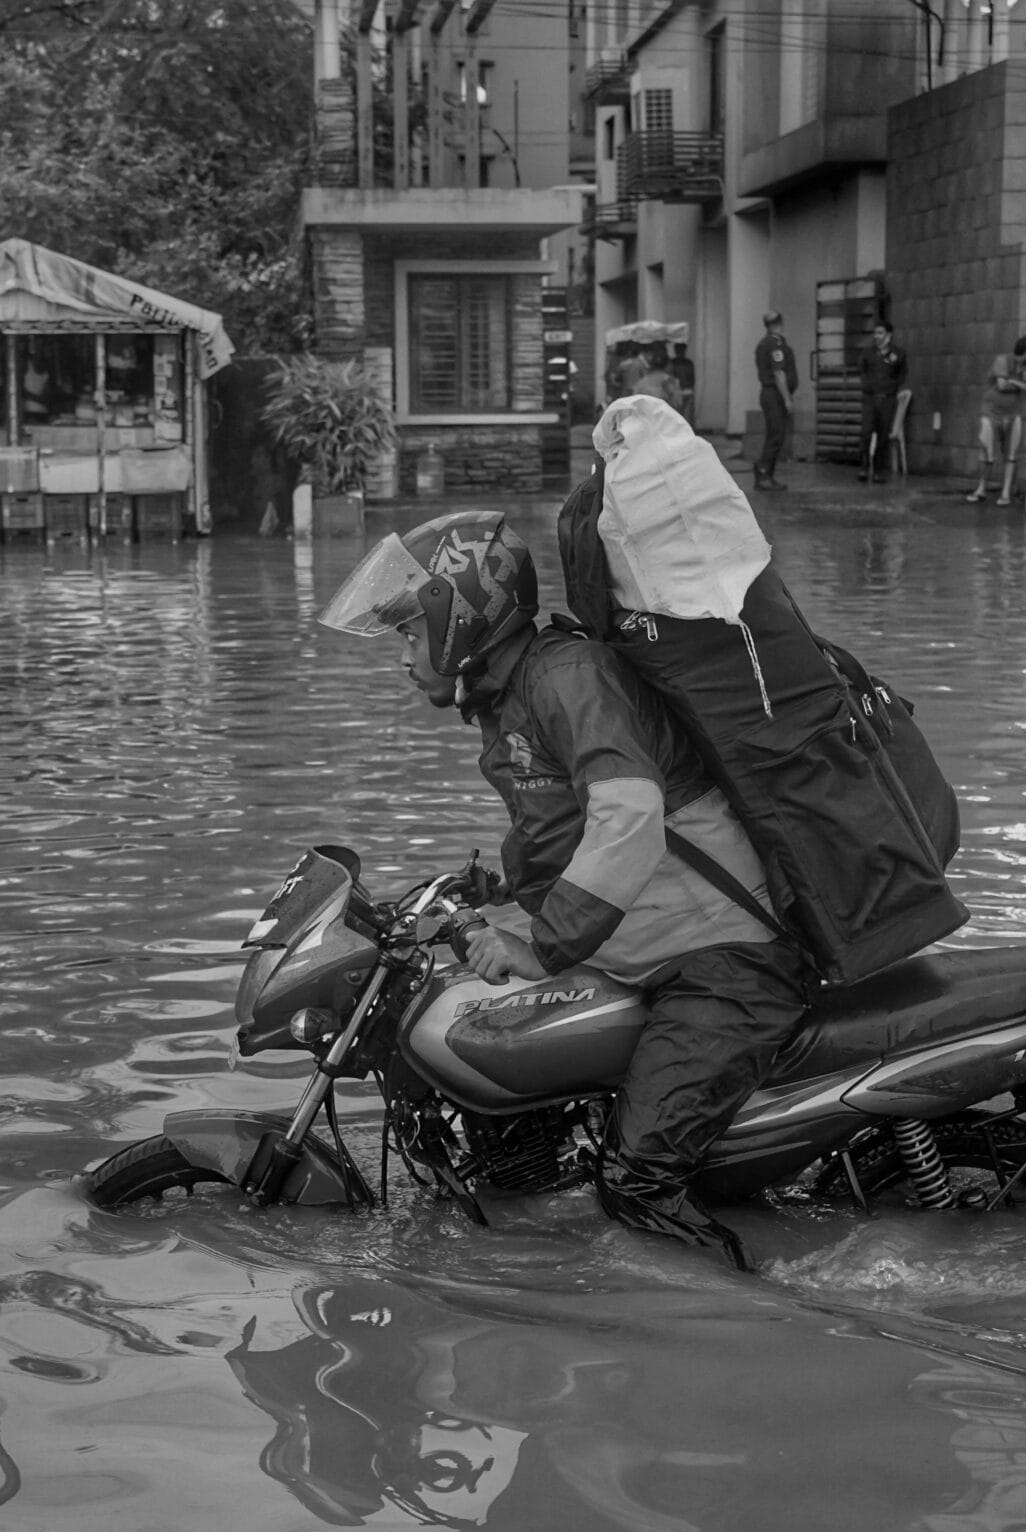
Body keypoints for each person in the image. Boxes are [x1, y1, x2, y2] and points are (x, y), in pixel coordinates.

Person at [316, 512, 805, 1271]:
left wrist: (540, 947)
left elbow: (631, 814)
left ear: (461, 621)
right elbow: (566, 832)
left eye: (411, 633)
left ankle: (757, 1319)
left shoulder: (564, 676)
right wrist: (484, 891)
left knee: (635, 1180)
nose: (404, 655)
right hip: (657, 955)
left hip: (729, 962)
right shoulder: (514, 695)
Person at [965, 336, 1026, 505]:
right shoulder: (1003, 360)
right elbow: (1001, 385)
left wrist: (1014, 381)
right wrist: (1022, 384)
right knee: (987, 452)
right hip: (991, 412)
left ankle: (1006, 492)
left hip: (1013, 414)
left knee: (1011, 455)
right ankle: (981, 488)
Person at [752, 312, 798, 492]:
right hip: (774, 395)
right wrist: (787, 399)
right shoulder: (775, 343)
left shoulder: (764, 343)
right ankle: (763, 473)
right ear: (780, 323)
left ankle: (767, 474)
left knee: (775, 434)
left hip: (770, 394)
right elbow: (779, 373)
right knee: (776, 435)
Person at [858, 322, 908, 482]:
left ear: (888, 335)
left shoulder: (898, 354)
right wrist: (867, 386)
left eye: (880, 333)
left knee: (882, 435)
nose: (877, 336)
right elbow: (862, 371)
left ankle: (878, 469)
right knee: (866, 432)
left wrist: (893, 388)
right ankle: (864, 467)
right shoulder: (868, 353)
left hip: (887, 398)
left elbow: (903, 374)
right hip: (870, 398)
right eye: (875, 333)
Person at [666, 341, 698, 424]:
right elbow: (692, 379)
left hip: (680, 391)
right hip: (685, 391)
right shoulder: (688, 363)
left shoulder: (673, 363)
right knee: (685, 415)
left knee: (678, 415)